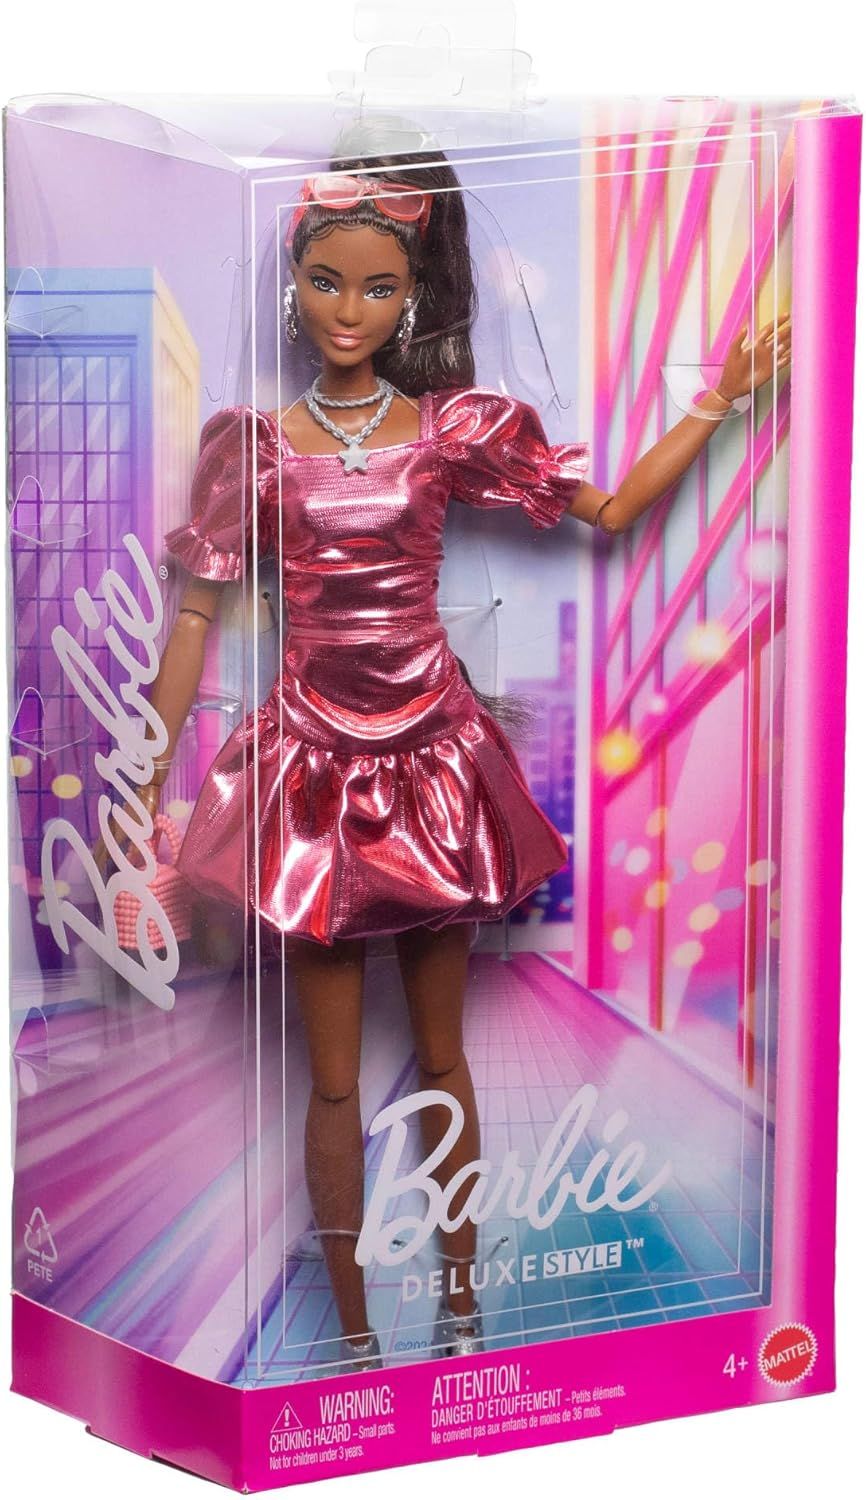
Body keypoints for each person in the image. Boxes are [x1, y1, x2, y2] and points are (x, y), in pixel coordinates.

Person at [108, 145, 790, 1373]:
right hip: (312, 777)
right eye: (324, 282)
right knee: (329, 1082)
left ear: (412, 295)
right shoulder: (250, 447)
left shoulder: (448, 431)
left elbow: (609, 511)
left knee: (441, 1056)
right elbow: (194, 618)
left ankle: (466, 1305)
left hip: (431, 761)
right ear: (292, 286)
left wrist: (718, 400)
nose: (347, 311)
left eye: (376, 288)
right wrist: (142, 795)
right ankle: (354, 1334)